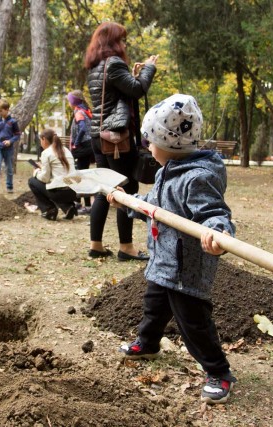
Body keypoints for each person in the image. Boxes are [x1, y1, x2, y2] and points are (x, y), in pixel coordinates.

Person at [106, 94, 237, 405]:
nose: (149, 148)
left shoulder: (197, 177)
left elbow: (214, 213)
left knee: (193, 322)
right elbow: (154, 206)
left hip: (186, 266)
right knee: (154, 306)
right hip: (163, 259)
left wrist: (218, 233)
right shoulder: (170, 169)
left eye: (151, 142)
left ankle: (219, 371)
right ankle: (149, 344)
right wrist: (127, 202)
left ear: (169, 144)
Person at [84, 21, 158, 261]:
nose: (124, 44)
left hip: (98, 135)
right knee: (127, 189)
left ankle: (96, 245)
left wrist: (132, 75)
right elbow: (137, 90)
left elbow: (119, 93)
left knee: (103, 190)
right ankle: (126, 247)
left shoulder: (95, 67)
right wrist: (148, 68)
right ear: (113, 42)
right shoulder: (114, 64)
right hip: (116, 138)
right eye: (122, 39)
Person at [28, 128, 78, 220]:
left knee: (32, 181)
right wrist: (43, 168)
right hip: (73, 192)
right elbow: (59, 171)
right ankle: (68, 207)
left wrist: (36, 172)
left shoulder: (46, 153)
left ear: (44, 139)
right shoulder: (66, 150)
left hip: (59, 193)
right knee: (57, 183)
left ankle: (49, 210)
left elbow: (45, 178)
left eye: (40, 140)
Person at [67, 89, 93, 214]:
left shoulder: (79, 113)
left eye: (69, 101)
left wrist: (76, 144)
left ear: (74, 102)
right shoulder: (86, 111)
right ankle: (79, 202)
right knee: (83, 174)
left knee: (81, 175)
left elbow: (82, 129)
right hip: (89, 146)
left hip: (82, 147)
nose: (68, 103)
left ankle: (86, 206)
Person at [0, 98, 21, 194]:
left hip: (8, 149)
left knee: (9, 168)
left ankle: (9, 187)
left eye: (1, 111)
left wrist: (10, 141)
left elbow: (17, 134)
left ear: (7, 110)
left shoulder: (13, 122)